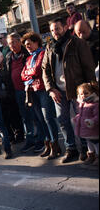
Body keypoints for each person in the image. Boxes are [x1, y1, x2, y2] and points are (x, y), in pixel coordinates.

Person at [42, 17, 96, 163]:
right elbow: (45, 69)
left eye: (57, 29)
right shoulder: (50, 46)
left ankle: (86, 149)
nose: (55, 33)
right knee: (63, 121)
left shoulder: (77, 43)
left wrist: (91, 89)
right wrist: (51, 89)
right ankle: (70, 148)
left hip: (78, 90)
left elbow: (88, 67)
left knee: (82, 120)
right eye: (52, 30)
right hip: (58, 91)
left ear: (65, 27)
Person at [21, 32, 61, 160]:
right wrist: (29, 74)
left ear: (36, 42)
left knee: (48, 117)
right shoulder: (28, 58)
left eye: (29, 44)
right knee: (40, 119)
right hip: (33, 90)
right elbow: (22, 75)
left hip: (43, 89)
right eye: (26, 45)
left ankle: (55, 145)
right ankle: (48, 144)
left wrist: (29, 73)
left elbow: (38, 69)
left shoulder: (42, 53)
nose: (27, 47)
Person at [6, 32, 45, 153]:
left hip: (30, 90)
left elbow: (32, 70)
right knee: (26, 118)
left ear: (19, 42)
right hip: (18, 92)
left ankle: (41, 140)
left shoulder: (27, 53)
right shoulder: (9, 57)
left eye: (13, 42)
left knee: (36, 117)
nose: (11, 45)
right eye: (9, 43)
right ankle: (30, 140)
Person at [0, 50, 25, 144]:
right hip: (1, 100)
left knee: (15, 118)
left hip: (11, 97)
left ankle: (19, 135)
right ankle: (11, 136)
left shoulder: (7, 67)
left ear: (2, 57)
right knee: (6, 119)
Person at [74, 81, 99, 166]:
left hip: (93, 129)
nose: (83, 95)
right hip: (86, 129)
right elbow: (81, 115)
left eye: (86, 93)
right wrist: (77, 118)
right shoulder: (82, 103)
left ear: (92, 93)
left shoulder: (95, 104)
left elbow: (97, 116)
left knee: (96, 143)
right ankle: (91, 155)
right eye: (81, 94)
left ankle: (97, 156)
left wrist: (92, 121)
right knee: (89, 142)